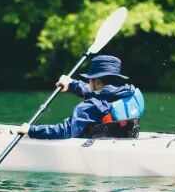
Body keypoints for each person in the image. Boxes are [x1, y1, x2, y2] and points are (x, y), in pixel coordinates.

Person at [8, 55, 144, 139]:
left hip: (100, 149)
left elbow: (65, 131)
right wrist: (71, 84)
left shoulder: (89, 106)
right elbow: (97, 94)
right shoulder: (127, 93)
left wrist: (31, 130)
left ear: (96, 81)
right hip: (125, 138)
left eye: (89, 79)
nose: (88, 82)